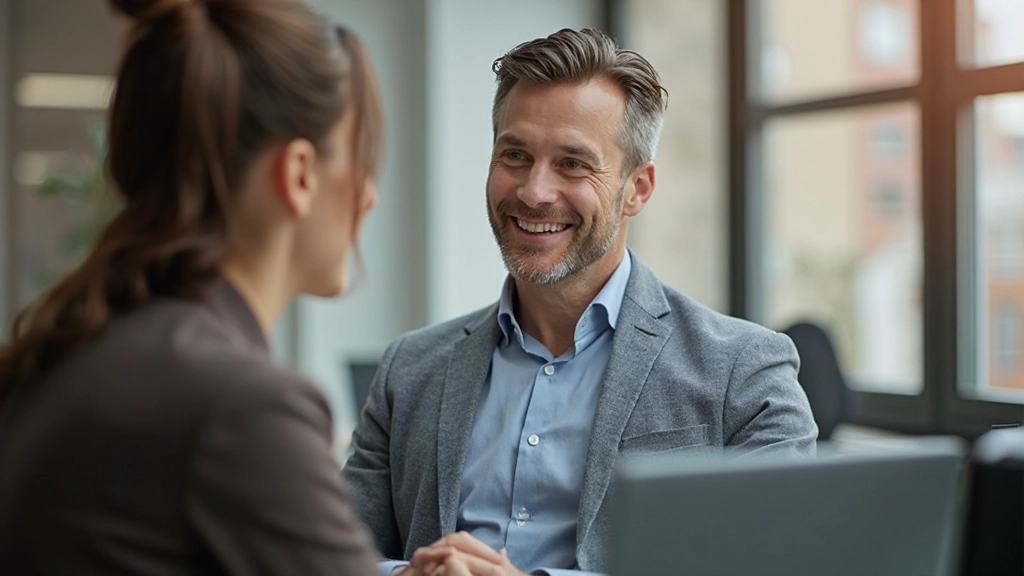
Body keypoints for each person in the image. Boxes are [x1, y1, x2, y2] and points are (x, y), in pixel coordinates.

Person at [343, 27, 818, 576]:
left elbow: (778, 564)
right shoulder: (409, 370)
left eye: (572, 164)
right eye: (515, 155)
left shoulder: (745, 372)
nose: (534, 191)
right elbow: (328, 556)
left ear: (637, 188)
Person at [0, 0, 384, 574]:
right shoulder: (239, 405)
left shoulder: (73, 349)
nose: (369, 195)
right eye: (361, 159)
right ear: (300, 173)